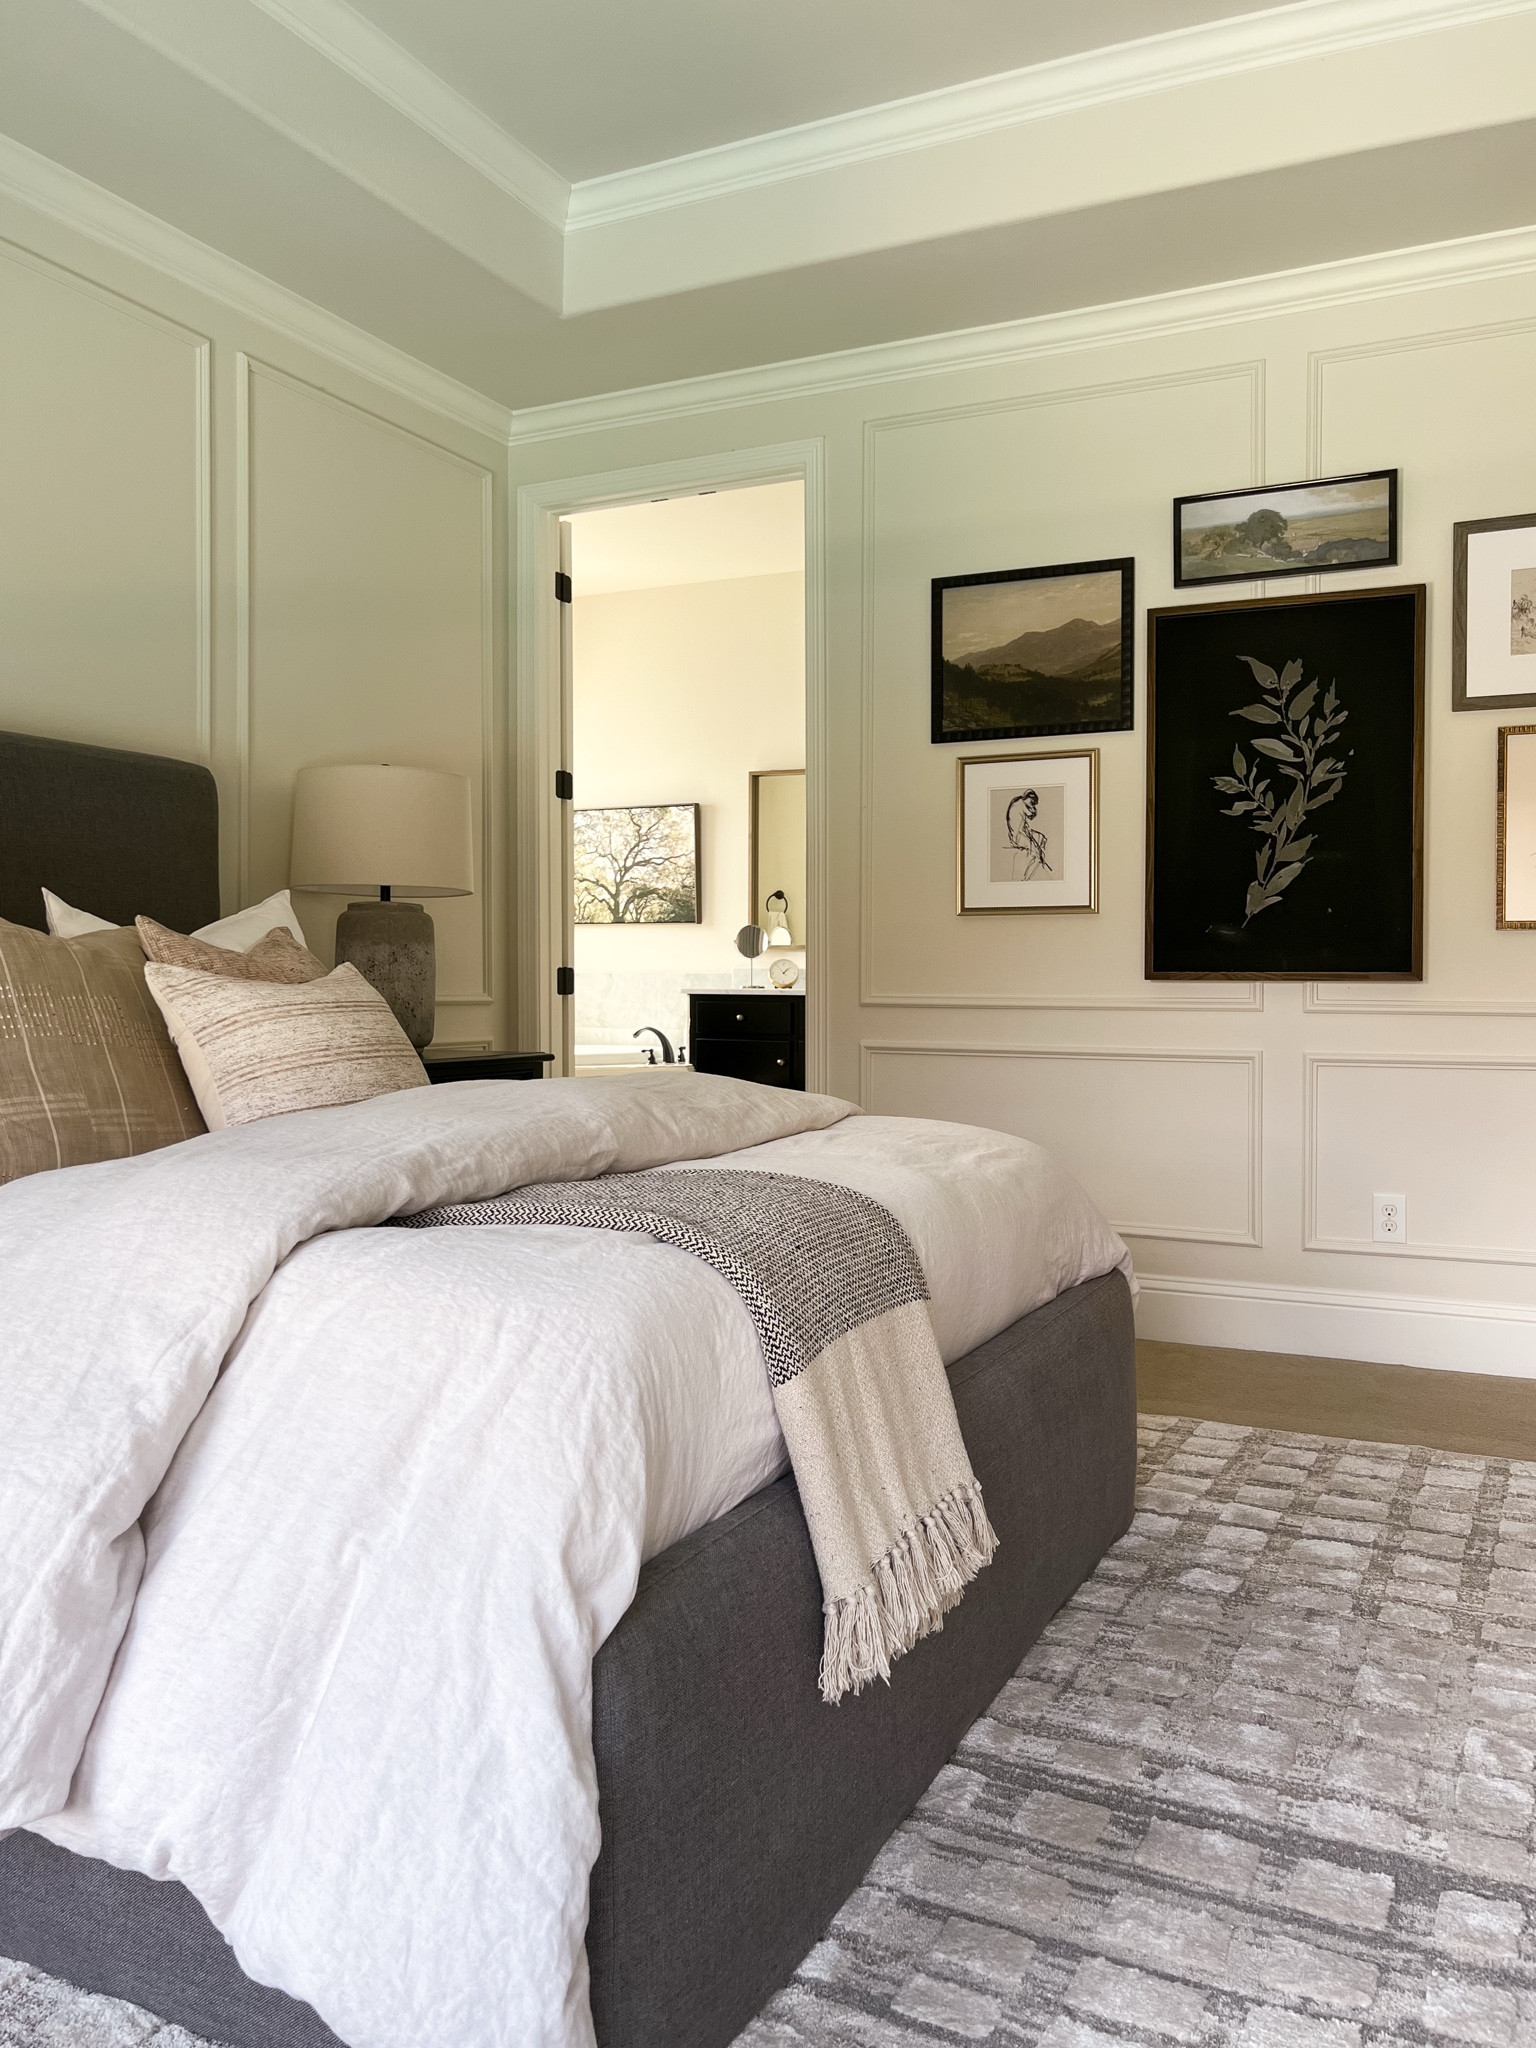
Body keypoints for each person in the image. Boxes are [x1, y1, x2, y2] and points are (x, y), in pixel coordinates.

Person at [1004, 789, 1053, 880]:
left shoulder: (1019, 801)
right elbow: (1031, 815)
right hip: (1018, 836)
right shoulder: (1021, 804)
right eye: (1033, 802)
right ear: (1029, 798)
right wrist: (1033, 810)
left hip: (1020, 832)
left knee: (1041, 838)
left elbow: (1024, 821)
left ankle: (1041, 860)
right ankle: (1029, 874)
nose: (1033, 804)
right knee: (1035, 851)